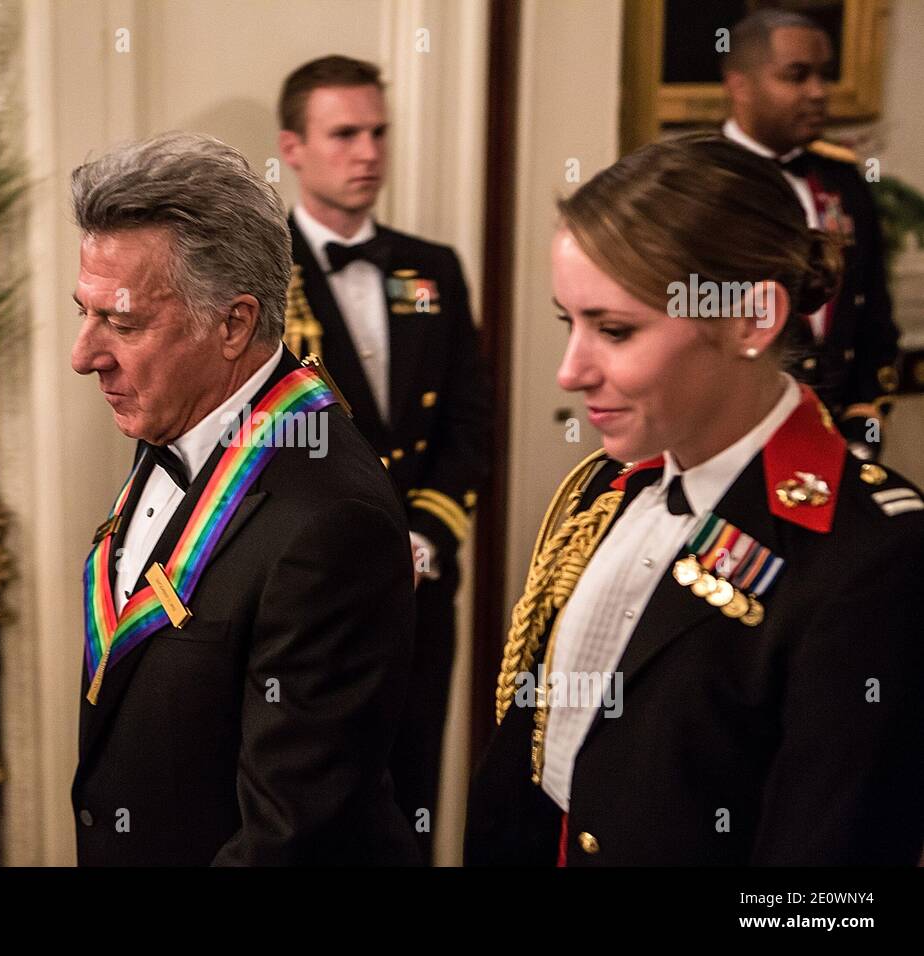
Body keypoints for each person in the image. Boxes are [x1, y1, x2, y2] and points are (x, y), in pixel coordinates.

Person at [465, 134, 924, 866]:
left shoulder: (867, 553)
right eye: (569, 321)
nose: (569, 371)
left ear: (751, 320)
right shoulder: (604, 488)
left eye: (614, 330)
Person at [68, 131, 419, 866]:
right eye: (86, 312)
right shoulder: (186, 406)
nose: (84, 356)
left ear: (233, 324)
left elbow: (289, 839)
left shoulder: (332, 523)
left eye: (123, 323)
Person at [278, 55, 492, 861]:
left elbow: (470, 420)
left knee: (414, 787)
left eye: (378, 132)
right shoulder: (259, 275)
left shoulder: (430, 267)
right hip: (315, 591)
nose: (368, 152)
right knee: (314, 801)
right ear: (292, 147)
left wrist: (427, 536)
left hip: (422, 584)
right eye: (344, 134)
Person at [722, 8, 900, 461]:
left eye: (823, 75)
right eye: (796, 76)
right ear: (739, 84)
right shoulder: (701, 183)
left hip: (840, 440)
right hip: (731, 440)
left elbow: (873, 310)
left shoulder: (844, 181)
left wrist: (863, 423)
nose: (819, 93)